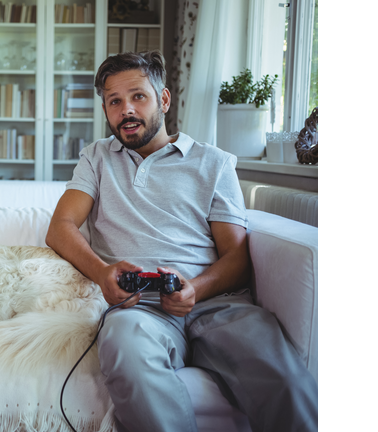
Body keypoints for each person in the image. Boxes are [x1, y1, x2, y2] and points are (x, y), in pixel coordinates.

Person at [45, 51, 317, 431]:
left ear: (164, 99)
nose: (126, 110)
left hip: (218, 305)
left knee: (285, 382)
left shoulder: (214, 162)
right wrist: (102, 271)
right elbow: (60, 227)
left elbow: (236, 257)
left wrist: (195, 289)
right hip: (139, 309)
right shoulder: (96, 158)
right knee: (124, 344)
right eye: (114, 101)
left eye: (138, 96)